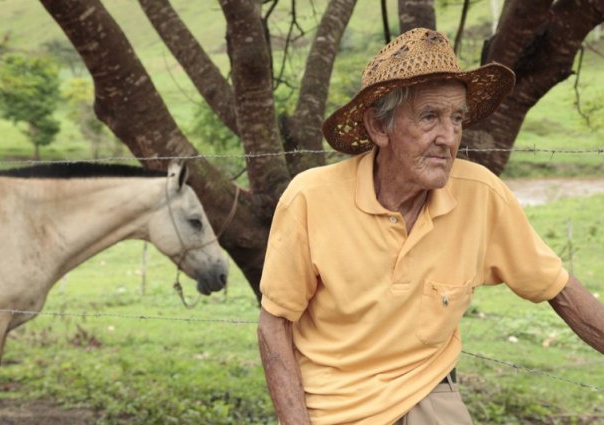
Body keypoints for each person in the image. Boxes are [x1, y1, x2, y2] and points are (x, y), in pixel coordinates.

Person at [257, 28, 604, 425]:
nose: (449, 137)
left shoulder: (481, 195)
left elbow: (560, 291)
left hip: (427, 392)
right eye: (430, 117)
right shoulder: (310, 198)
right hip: (335, 405)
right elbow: (275, 323)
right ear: (378, 127)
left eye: (457, 118)